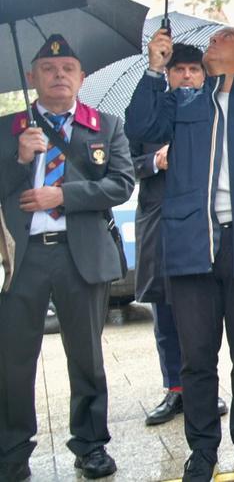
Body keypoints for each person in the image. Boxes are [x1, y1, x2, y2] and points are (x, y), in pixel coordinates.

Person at [126, 27, 234, 482]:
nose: (212, 42)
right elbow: (141, 127)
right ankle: (202, 450)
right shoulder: (186, 99)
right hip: (192, 245)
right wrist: (154, 69)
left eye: (223, 38)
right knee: (197, 357)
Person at [0, 34, 134, 481]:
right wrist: (18, 160)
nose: (59, 76)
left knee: (87, 357)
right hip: (26, 259)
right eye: (49, 69)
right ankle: (13, 451)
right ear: (32, 76)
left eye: (68, 69)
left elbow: (121, 184)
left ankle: (91, 445)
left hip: (82, 255)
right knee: (14, 359)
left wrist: (63, 194)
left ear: (80, 76)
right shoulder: (9, 127)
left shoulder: (106, 125)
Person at [131, 43, 229, 428]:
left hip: (200, 231)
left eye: (194, 70)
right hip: (159, 225)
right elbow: (127, 162)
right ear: (168, 75)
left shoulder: (212, 111)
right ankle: (173, 388)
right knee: (166, 315)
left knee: (201, 319)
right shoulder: (152, 112)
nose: (187, 76)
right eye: (179, 70)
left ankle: (205, 388)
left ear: (204, 75)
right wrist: (156, 160)